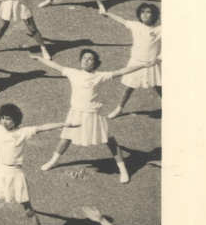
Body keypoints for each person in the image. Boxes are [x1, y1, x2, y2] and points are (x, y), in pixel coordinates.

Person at [33, 49, 157, 183]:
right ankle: (53, 161)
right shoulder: (72, 72)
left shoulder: (100, 76)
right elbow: (55, 66)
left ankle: (123, 169)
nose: (86, 61)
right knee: (66, 138)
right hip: (76, 113)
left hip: (94, 114)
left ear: (95, 63)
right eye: (84, 58)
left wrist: (143, 65)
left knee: (110, 141)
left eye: (90, 59)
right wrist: (40, 59)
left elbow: (122, 71)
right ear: (80, 61)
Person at [106, 3, 162, 117]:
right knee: (129, 87)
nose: (145, 15)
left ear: (154, 15)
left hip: (151, 63)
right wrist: (106, 13)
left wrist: (158, 59)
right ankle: (119, 109)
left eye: (148, 12)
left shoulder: (160, 29)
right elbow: (122, 20)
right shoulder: (135, 25)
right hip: (136, 63)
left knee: (158, 86)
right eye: (142, 12)